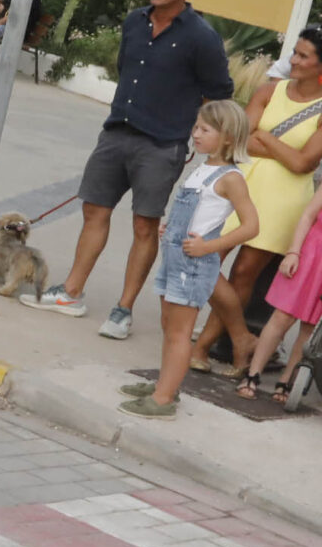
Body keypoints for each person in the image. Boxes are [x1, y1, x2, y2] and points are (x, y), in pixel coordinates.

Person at [28, 0, 237, 339]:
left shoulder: (201, 38)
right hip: (117, 131)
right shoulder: (134, 22)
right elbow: (126, 67)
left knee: (145, 225)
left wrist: (198, 132)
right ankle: (71, 292)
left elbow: (220, 94)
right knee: (94, 211)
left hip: (162, 145)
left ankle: (123, 310)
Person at [191, 26, 322, 374]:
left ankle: (203, 346)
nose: (292, 59)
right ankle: (239, 337)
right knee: (205, 259)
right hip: (241, 187)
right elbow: (237, 142)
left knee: (245, 272)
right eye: (294, 51)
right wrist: (271, 145)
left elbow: (303, 163)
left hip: (285, 199)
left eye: (303, 55)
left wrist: (264, 137)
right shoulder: (269, 91)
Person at [121, 99, 256, 419]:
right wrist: (174, 228)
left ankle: (164, 398)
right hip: (176, 257)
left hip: (194, 263)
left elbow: (252, 226)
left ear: (226, 137)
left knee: (180, 331)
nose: (195, 133)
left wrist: (210, 247)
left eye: (204, 129)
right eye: (196, 127)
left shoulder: (230, 178)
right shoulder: (202, 168)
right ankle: (165, 384)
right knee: (169, 325)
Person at [237, 182, 322, 401]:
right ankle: (253, 373)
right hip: (312, 253)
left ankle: (287, 380)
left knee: (310, 326)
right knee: (282, 316)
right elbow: (308, 216)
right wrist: (293, 251)